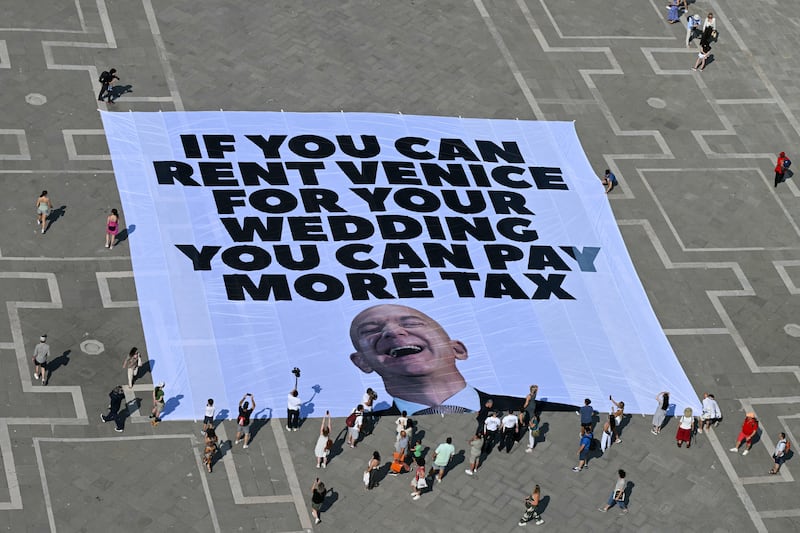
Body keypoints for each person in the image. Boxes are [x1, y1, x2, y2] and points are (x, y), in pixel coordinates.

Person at [349, 304, 528, 415]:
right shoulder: (368, 427)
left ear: (457, 349)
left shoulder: (535, 410)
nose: (392, 332)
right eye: (371, 330)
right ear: (361, 362)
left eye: (411, 323)